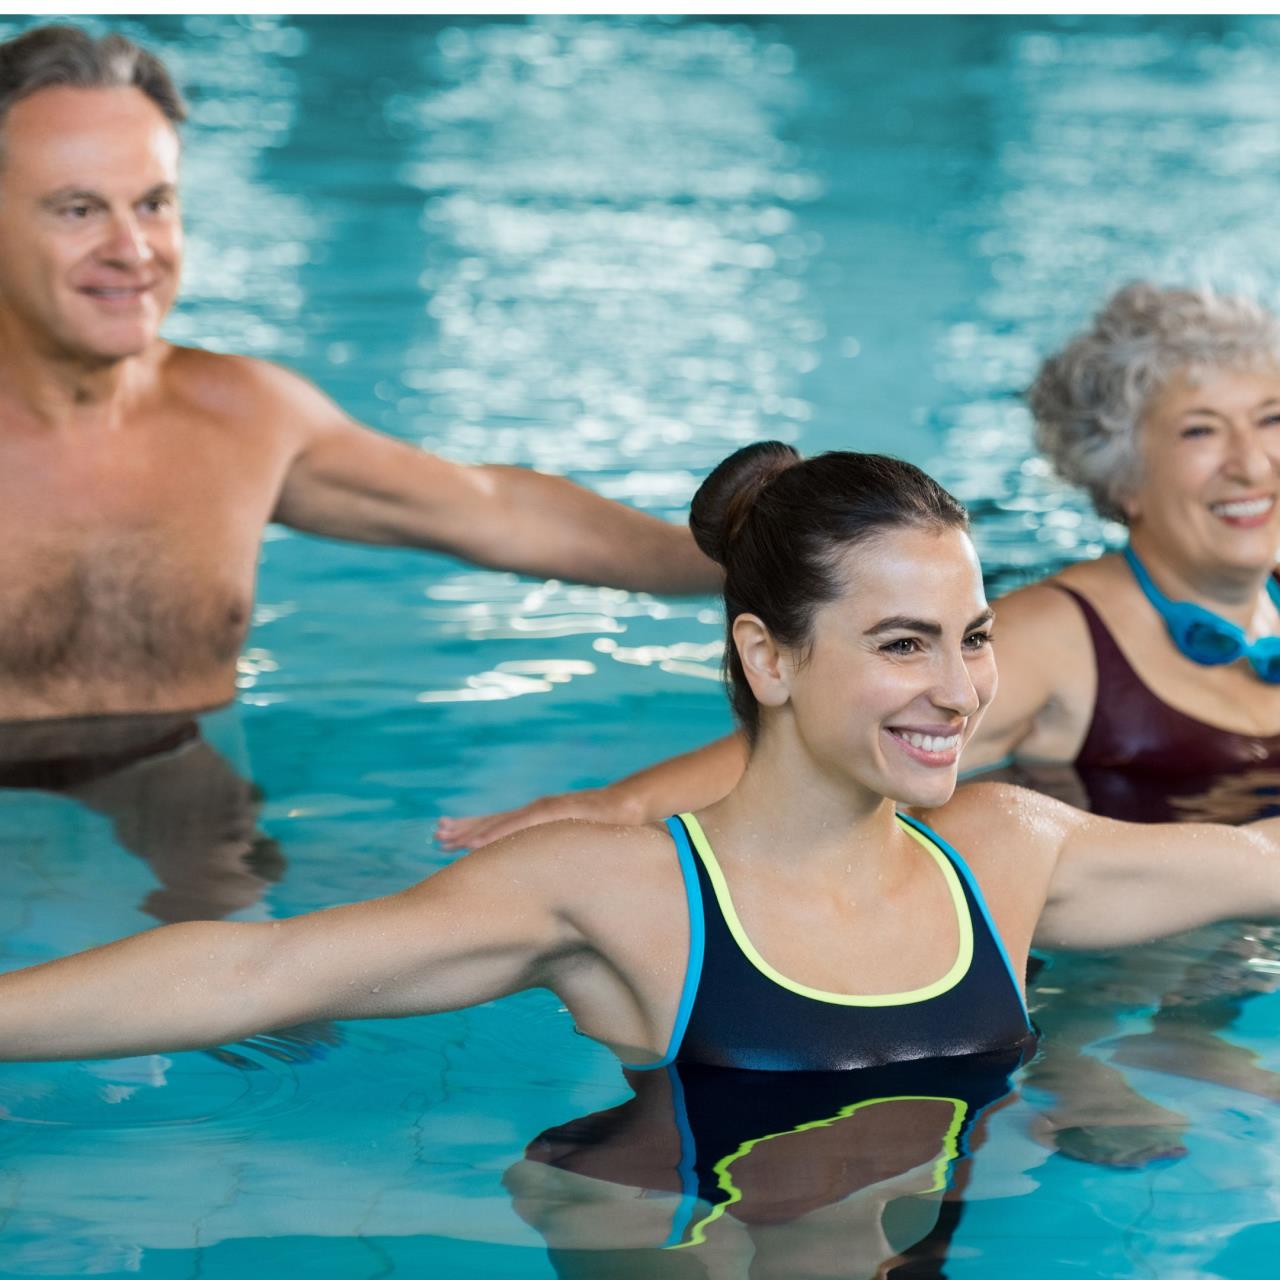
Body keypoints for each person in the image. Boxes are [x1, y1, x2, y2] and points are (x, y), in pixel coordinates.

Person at [5, 444, 1280, 1266]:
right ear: (766, 658)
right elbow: (253, 973)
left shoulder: (1004, 854)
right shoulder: (626, 891)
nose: (958, 691)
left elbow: (1253, 865)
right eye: (900, 644)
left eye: (972, 635)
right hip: (667, 1237)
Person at [0, 25, 719, 729]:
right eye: (78, 210)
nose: (133, 251)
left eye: (154, 204)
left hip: (188, 812)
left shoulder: (244, 418)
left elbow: (497, 509)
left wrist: (752, 555)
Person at [436, 281, 1280, 846]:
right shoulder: (1057, 637)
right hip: (1101, 1003)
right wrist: (608, 811)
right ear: (1121, 471)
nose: (1252, 464)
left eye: (1271, 419)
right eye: (1201, 431)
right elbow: (816, 738)